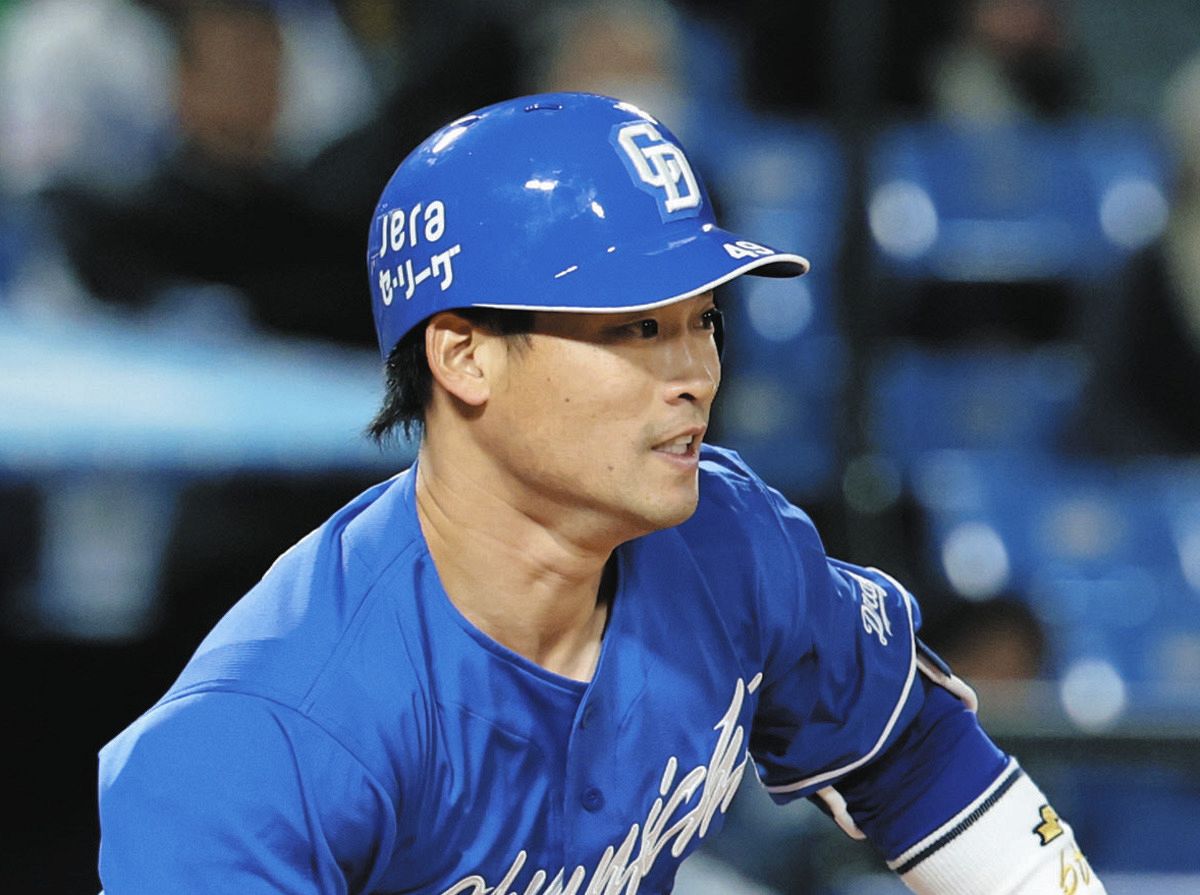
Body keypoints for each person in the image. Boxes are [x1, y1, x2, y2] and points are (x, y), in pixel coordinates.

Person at [96, 93, 1105, 894]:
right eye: (636, 327)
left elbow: (919, 757)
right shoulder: (269, 736)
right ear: (463, 355)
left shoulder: (730, 539)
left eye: (703, 320)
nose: (695, 373)